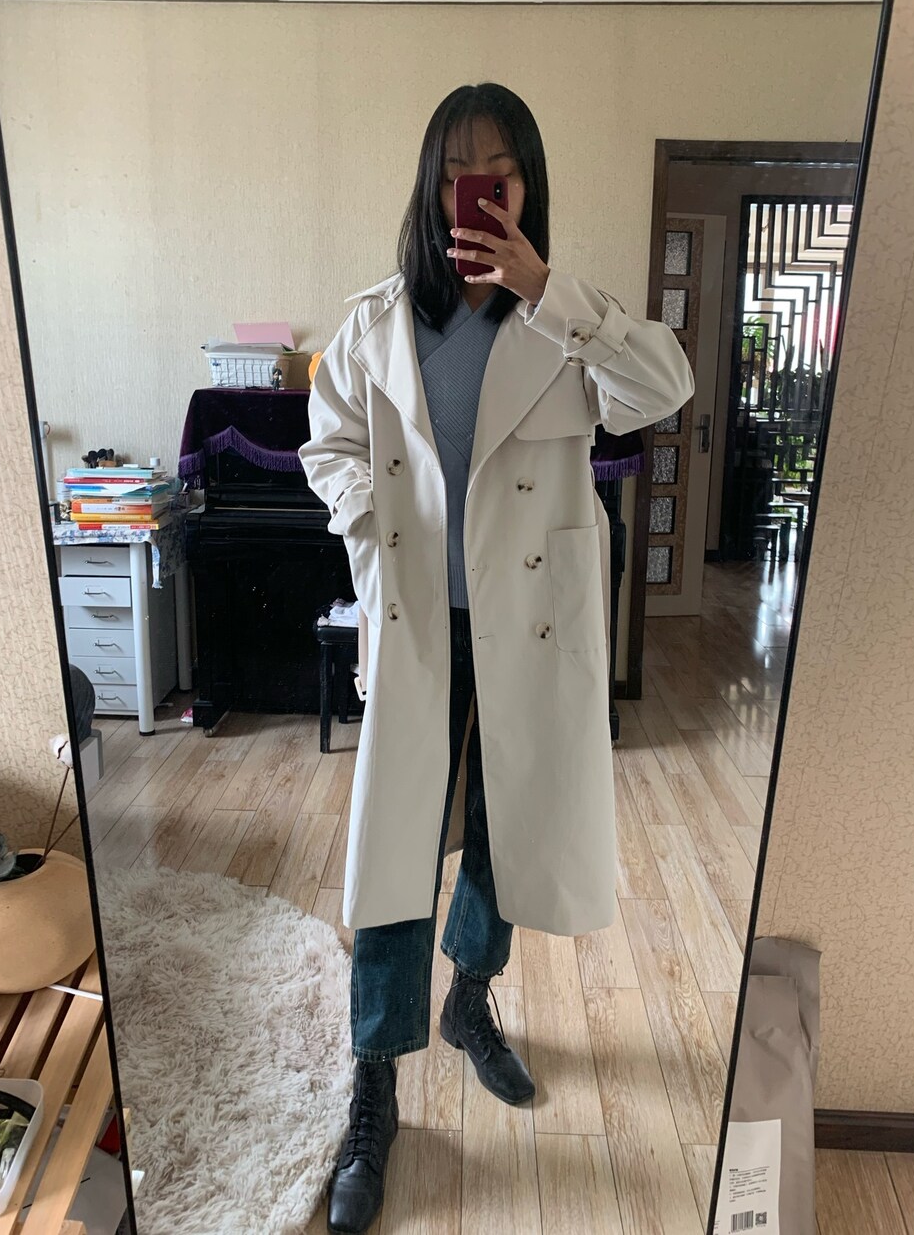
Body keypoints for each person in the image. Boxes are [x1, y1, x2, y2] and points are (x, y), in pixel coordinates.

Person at [299, 82, 695, 1234]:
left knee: (503, 823)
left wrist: (544, 287)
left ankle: (469, 996)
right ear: (430, 187)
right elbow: (328, 442)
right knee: (394, 847)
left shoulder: (564, 321)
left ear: (525, 186)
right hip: (420, 621)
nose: (473, 191)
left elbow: (662, 389)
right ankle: (375, 1080)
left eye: (497, 172)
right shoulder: (378, 323)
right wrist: (369, 529)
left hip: (529, 624)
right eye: (455, 171)